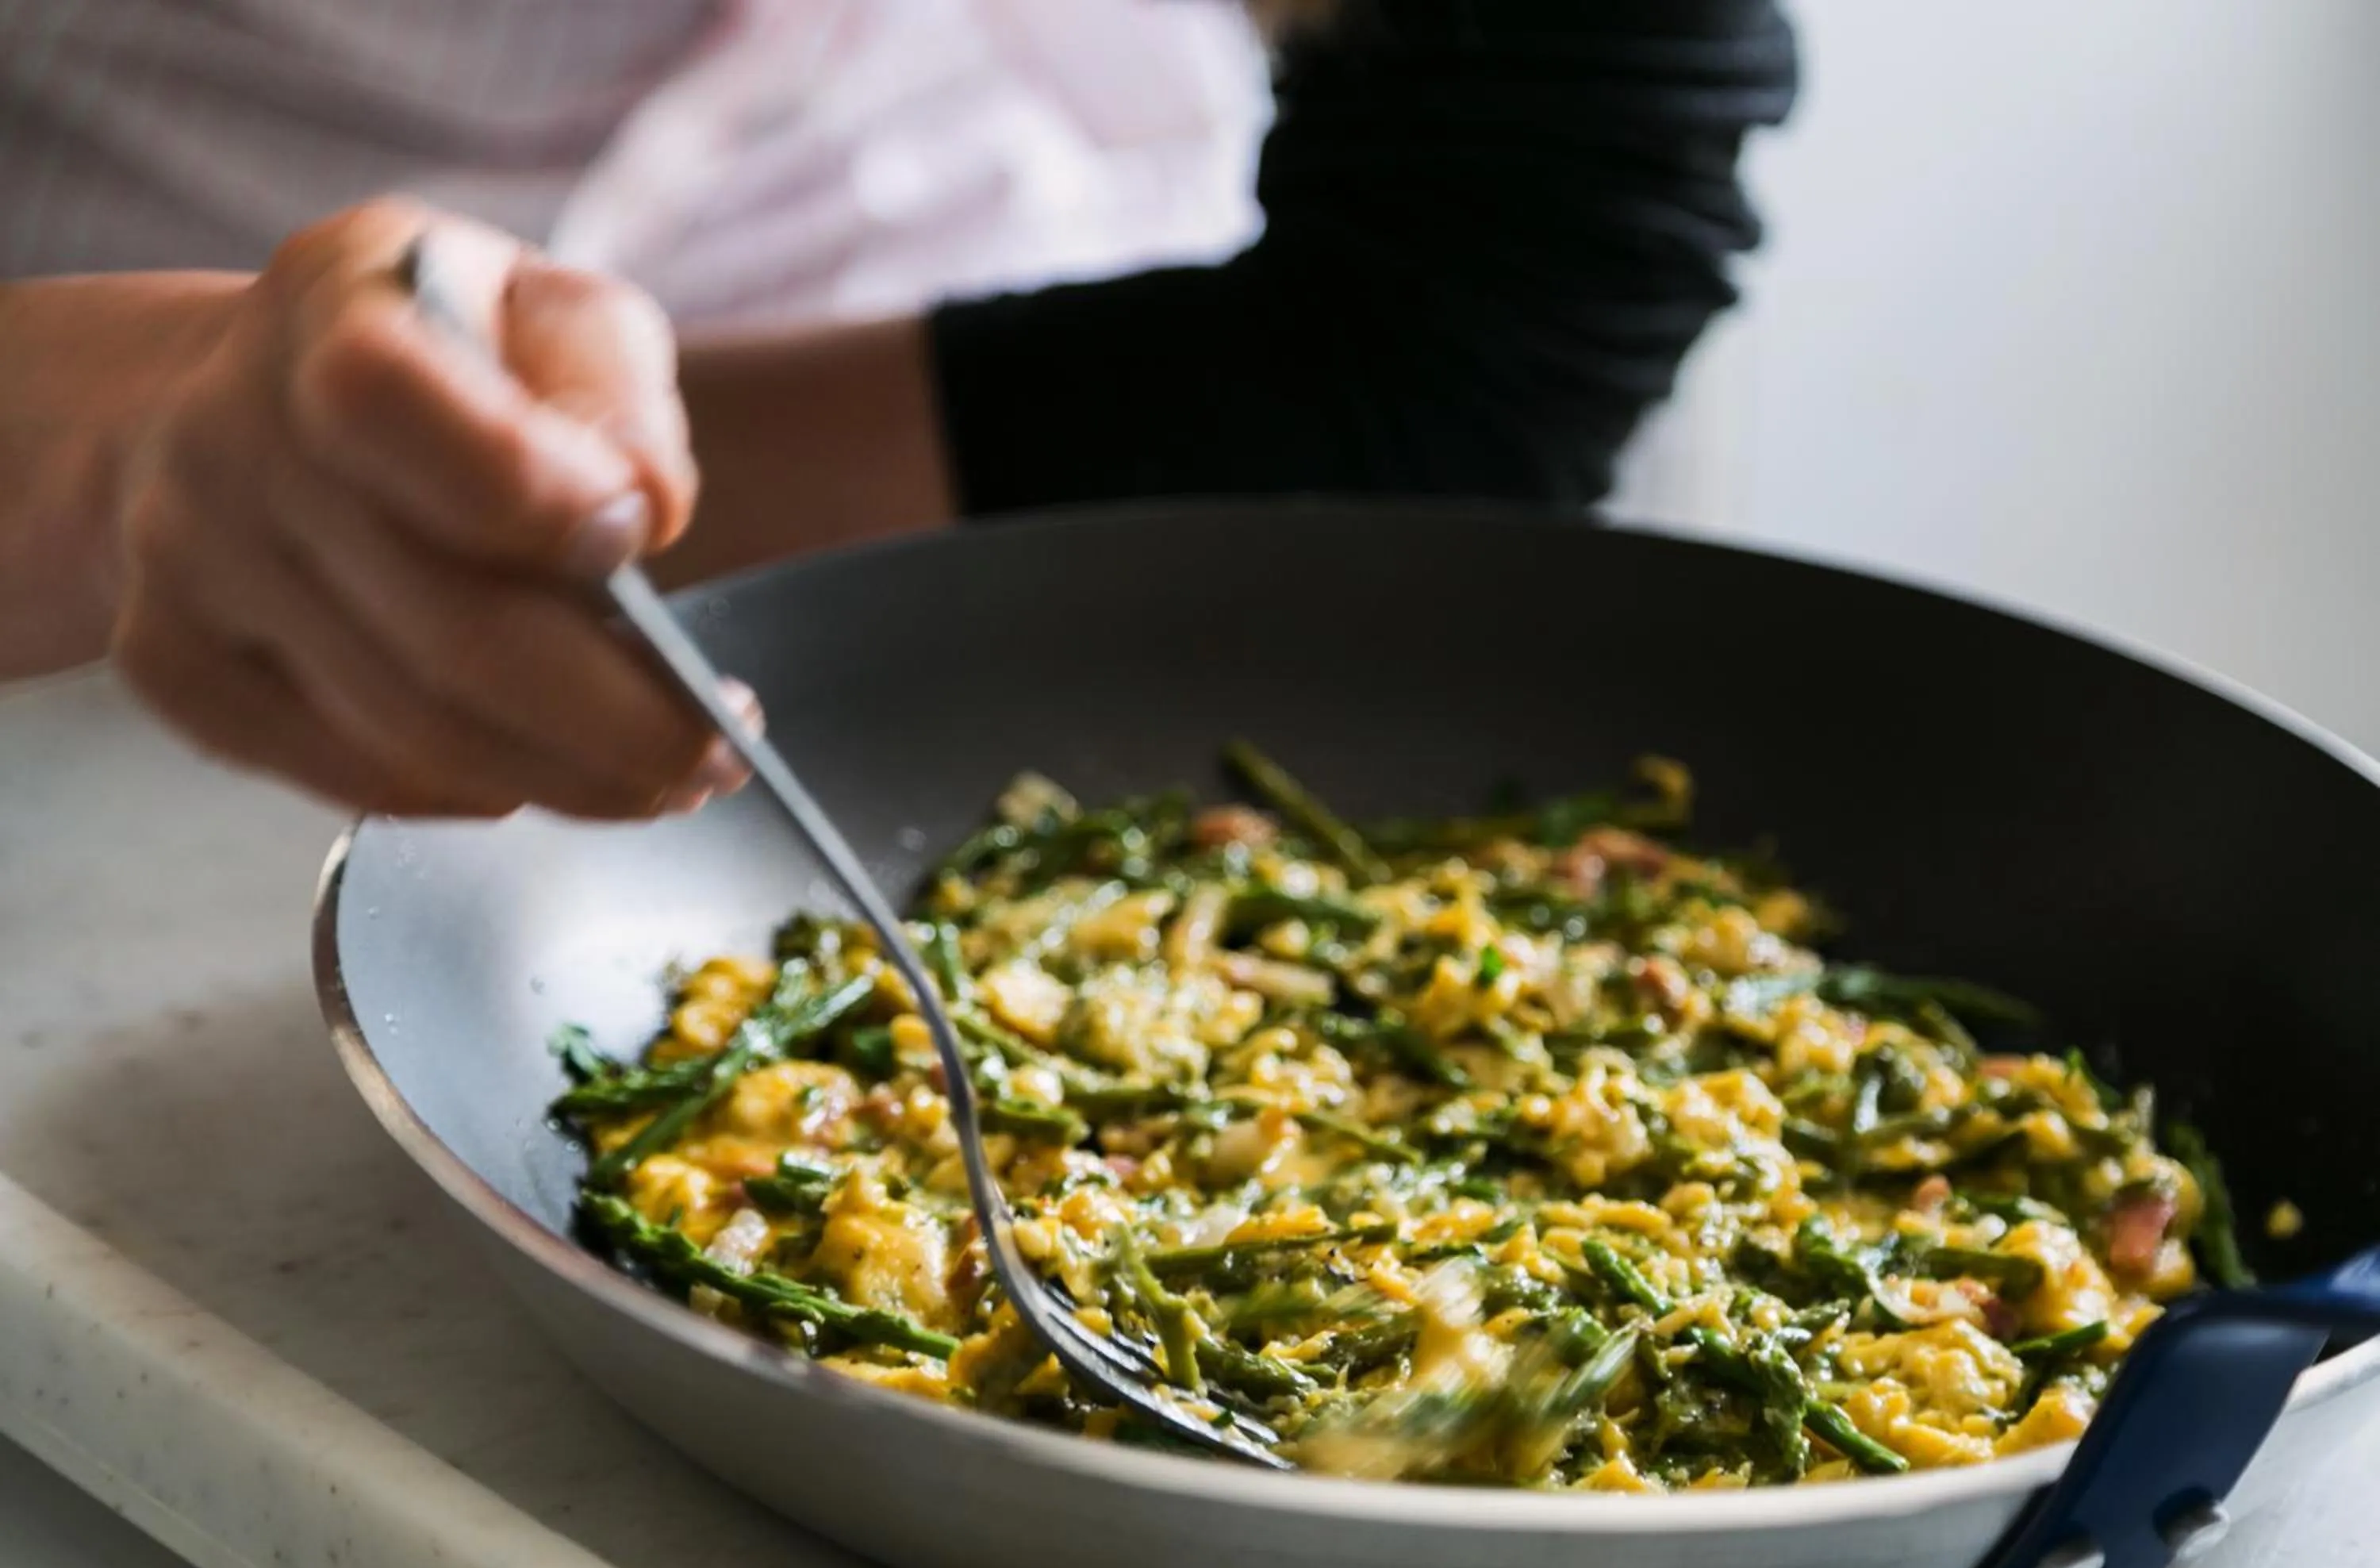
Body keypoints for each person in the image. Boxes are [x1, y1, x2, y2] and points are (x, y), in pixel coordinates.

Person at [0, 0, 1795, 820]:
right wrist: (140, 435)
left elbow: (1504, 279)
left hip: (1060, 577)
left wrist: (532, 509)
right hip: (74, 693)